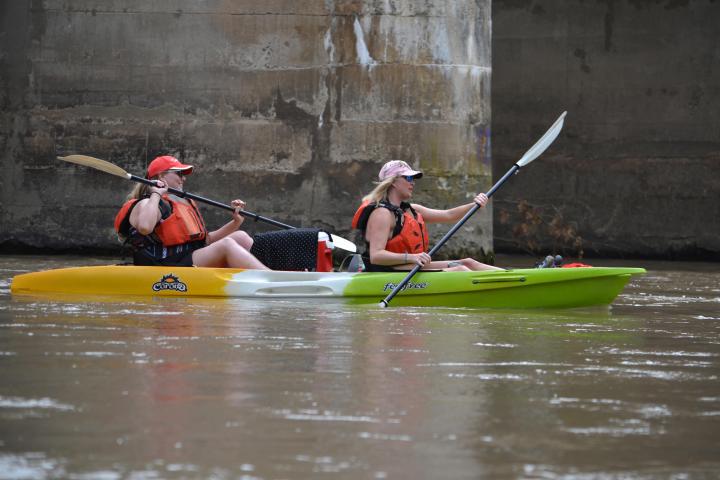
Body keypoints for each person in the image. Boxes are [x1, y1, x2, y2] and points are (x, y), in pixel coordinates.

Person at [114, 155, 269, 269]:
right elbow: (145, 227)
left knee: (239, 236)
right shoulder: (147, 202)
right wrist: (156, 193)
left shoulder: (178, 204)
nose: (183, 179)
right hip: (164, 264)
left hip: (186, 258)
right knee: (227, 245)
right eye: (178, 174)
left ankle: (273, 271)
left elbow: (205, 241)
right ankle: (270, 278)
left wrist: (235, 222)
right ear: (161, 176)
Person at [352, 160, 503, 272]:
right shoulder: (382, 214)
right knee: (460, 269)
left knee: (468, 262)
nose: (413, 183)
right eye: (408, 178)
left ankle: (513, 277)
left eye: (413, 179)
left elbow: (449, 215)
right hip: (387, 273)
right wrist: (413, 257)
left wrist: (475, 205)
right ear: (394, 182)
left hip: (408, 267)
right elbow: (376, 256)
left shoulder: (412, 210)